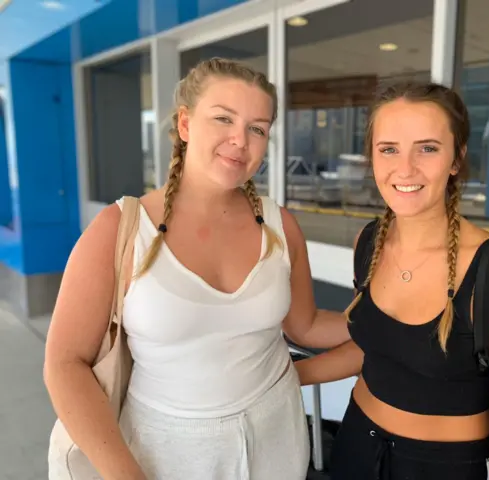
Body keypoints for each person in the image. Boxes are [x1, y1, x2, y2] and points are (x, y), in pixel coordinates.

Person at [43, 57, 350, 480]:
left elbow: (307, 325)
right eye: (223, 119)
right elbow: (65, 363)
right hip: (164, 449)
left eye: (257, 128)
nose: (240, 140)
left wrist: (387, 312)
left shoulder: (280, 226)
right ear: (185, 125)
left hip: (277, 435)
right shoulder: (122, 229)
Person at [295, 81, 489, 479]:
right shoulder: (370, 242)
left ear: (456, 158)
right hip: (356, 443)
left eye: (427, 148)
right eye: (389, 149)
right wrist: (289, 377)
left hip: (443, 467)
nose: (405, 168)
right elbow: (379, 349)